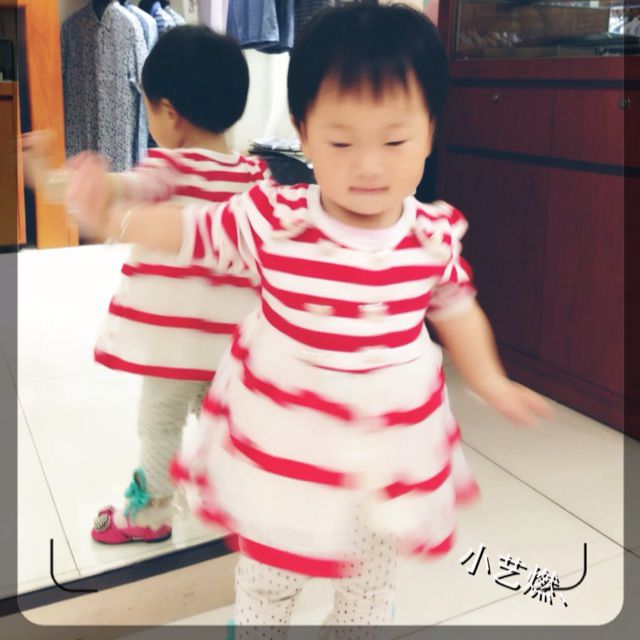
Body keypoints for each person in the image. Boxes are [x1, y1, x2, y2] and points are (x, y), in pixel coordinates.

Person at [64, 2, 551, 631]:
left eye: (395, 140)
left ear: (430, 132)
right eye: (342, 141)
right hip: (284, 444)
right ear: (303, 131)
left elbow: (457, 306)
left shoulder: (429, 235)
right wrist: (114, 215)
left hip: (385, 449)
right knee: (270, 576)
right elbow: (191, 229)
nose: (369, 165)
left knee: (369, 581)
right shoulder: (277, 218)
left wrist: (489, 378)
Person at [23, 25, 271, 545]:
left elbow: (103, 192)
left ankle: (150, 514)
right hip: (232, 346)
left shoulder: (168, 170)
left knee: (159, 425)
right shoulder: (256, 177)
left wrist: (46, 173)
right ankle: (244, 502)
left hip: (172, 345)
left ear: (169, 113)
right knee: (228, 424)